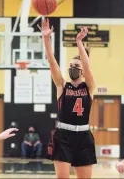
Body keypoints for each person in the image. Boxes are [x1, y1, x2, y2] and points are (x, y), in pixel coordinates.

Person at [38, 18, 97, 178]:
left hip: (84, 136)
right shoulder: (62, 86)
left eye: (76, 67)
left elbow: (87, 65)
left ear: (83, 71)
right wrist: (46, 39)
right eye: (70, 66)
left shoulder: (89, 87)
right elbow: (52, 62)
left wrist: (79, 41)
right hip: (63, 135)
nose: (72, 68)